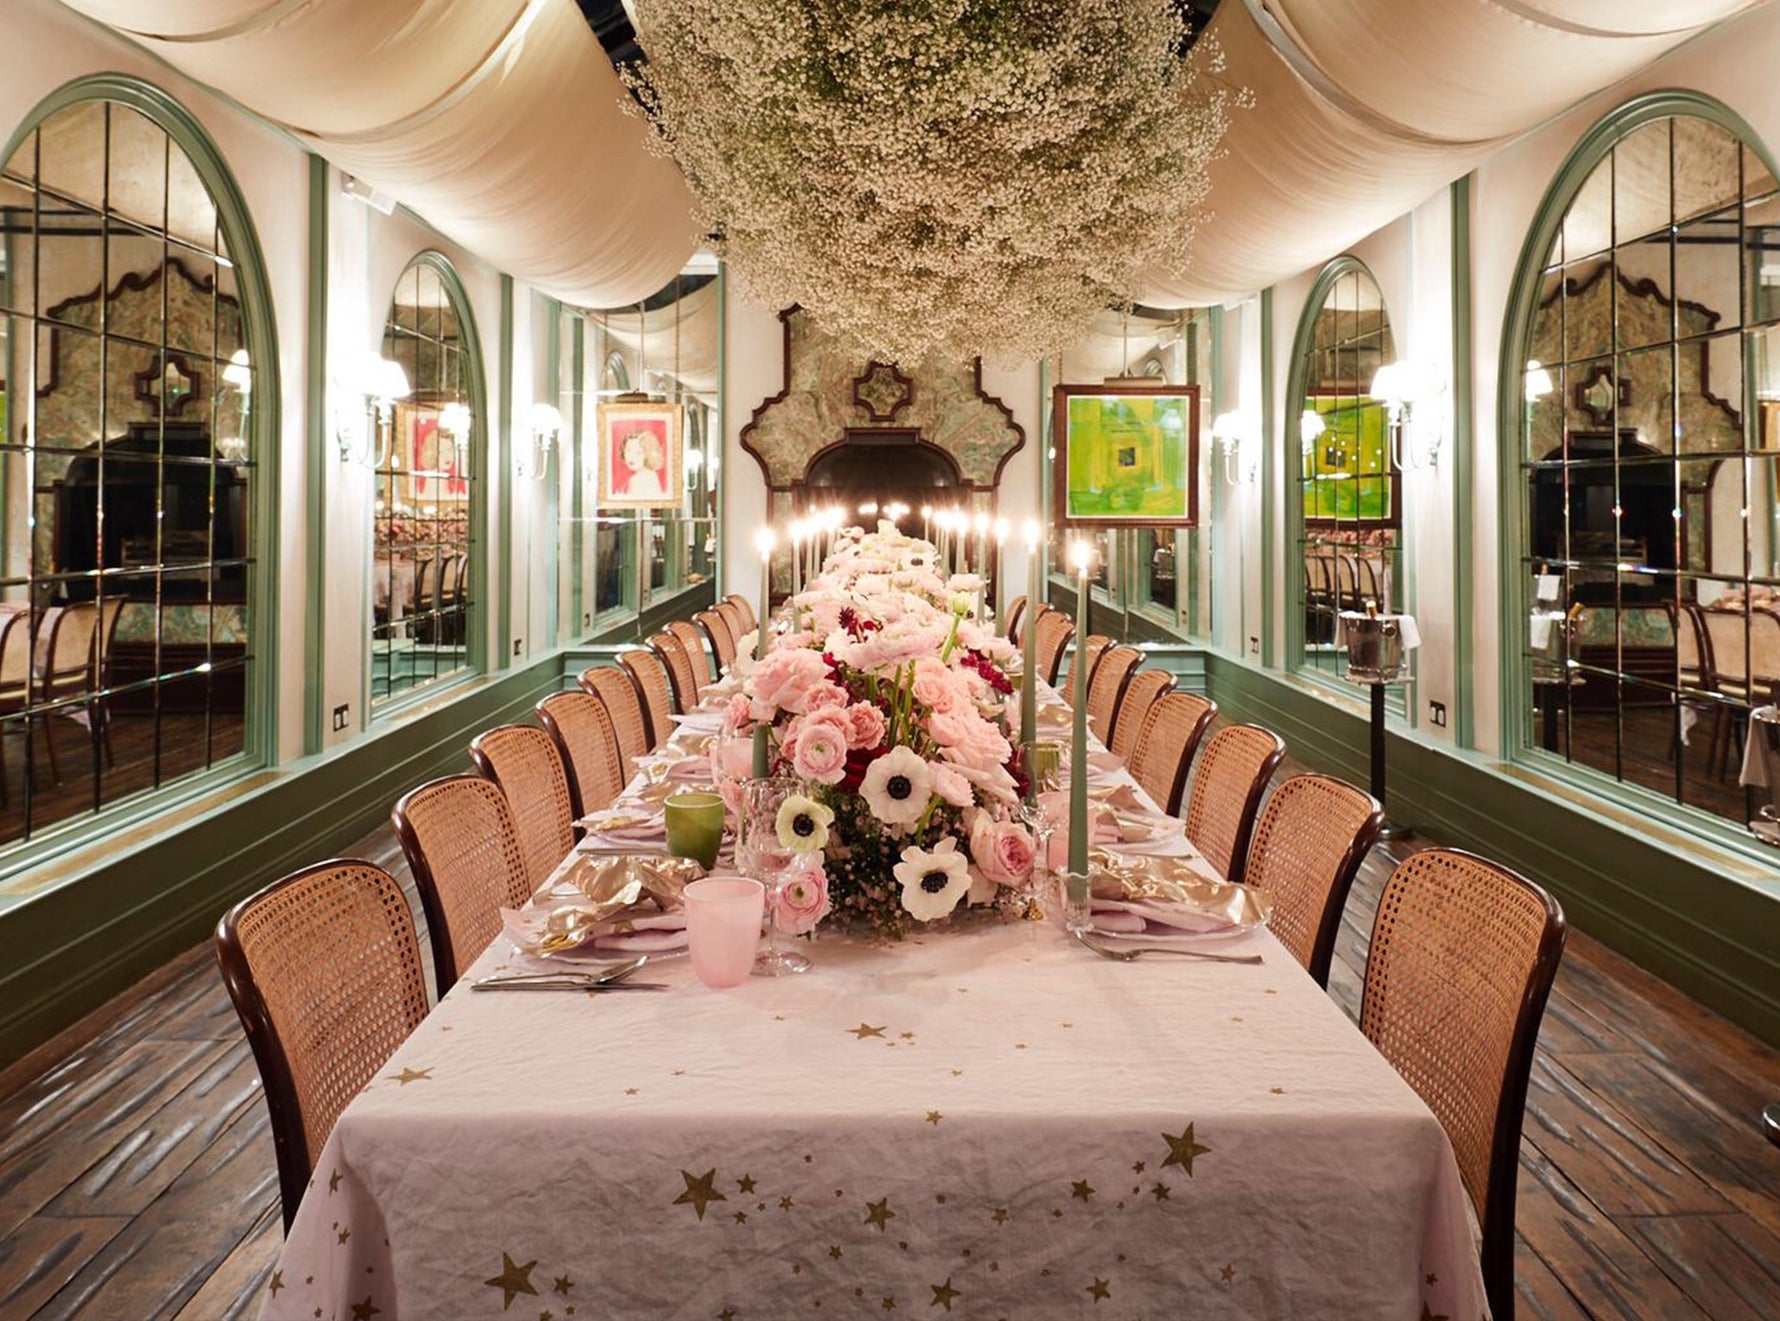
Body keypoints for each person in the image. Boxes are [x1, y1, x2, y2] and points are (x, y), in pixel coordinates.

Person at [619, 426, 667, 499]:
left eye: (638, 452)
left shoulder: (641, 479)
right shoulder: (647, 476)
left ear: (648, 454)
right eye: (628, 450)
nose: (631, 457)